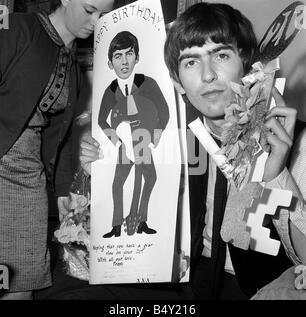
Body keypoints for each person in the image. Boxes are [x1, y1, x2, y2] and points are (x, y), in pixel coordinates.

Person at [163, 2, 306, 299]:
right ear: (178, 82)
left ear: (246, 62)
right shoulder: (171, 142)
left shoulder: (298, 142)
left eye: (221, 55)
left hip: (260, 285)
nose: (207, 76)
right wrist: (101, 168)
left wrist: (277, 174)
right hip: (186, 277)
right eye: (191, 62)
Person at [0, 0, 114, 300]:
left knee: (22, 284)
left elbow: (58, 137)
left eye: (102, 14)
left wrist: (63, 189)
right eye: (90, 10)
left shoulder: (73, 66)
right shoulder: (16, 28)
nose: (95, 21)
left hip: (28, 181)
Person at [98, 31, 169, 238]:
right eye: (117, 56)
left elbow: (164, 112)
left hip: (142, 143)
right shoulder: (111, 90)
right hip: (124, 145)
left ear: (137, 57)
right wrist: (119, 142)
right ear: (110, 63)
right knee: (117, 183)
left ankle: (141, 221)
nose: (124, 61)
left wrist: (154, 139)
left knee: (151, 177)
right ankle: (116, 226)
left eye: (129, 54)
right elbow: (102, 120)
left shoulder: (148, 83)